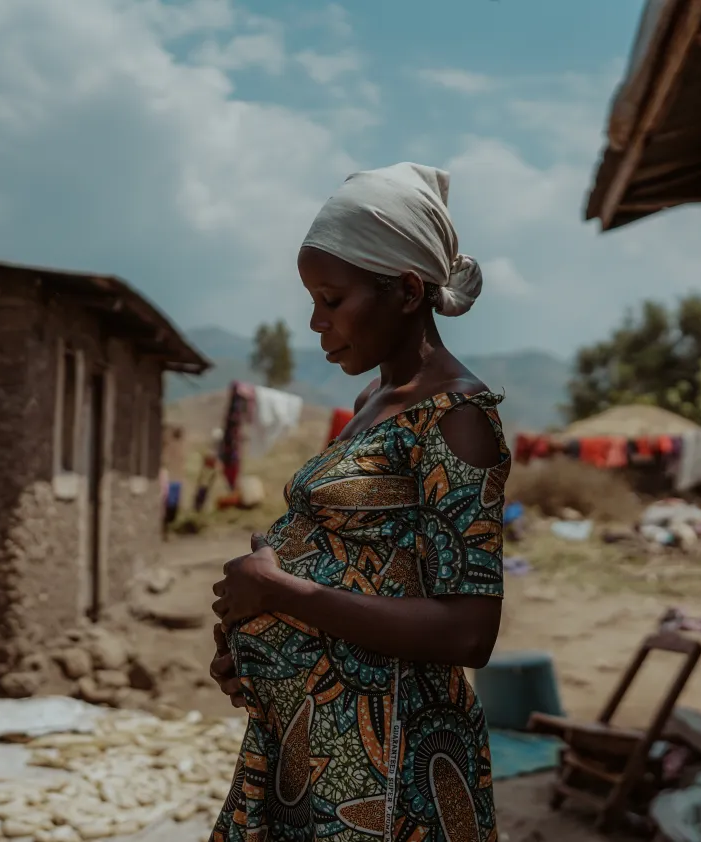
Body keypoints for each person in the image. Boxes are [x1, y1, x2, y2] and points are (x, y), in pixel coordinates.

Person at [209, 162, 511, 842]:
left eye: (331, 298)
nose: (316, 321)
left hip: (388, 764)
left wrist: (280, 595)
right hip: (311, 744)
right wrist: (249, 646)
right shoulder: (373, 405)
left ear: (406, 290)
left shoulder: (456, 417)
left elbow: (468, 631)